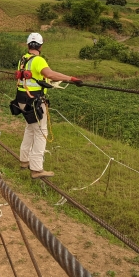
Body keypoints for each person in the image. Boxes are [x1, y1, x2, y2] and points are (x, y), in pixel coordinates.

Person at [13, 33, 82, 179]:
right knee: (41, 132)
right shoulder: (38, 60)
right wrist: (71, 79)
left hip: (21, 100)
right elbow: (50, 74)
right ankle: (37, 169)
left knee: (30, 129)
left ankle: (24, 160)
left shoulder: (23, 59)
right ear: (40, 46)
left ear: (28, 45)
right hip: (34, 101)